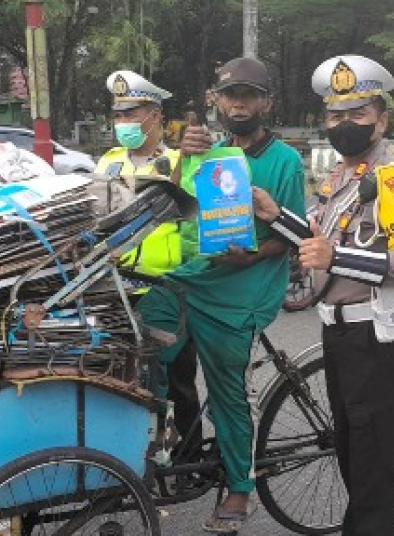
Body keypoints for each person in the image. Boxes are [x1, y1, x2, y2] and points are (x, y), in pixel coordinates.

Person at [251, 55, 394, 535]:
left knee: (373, 465)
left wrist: (337, 259)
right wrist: (274, 215)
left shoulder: (392, 179)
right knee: (353, 455)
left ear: (382, 119)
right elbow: (319, 245)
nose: (345, 124)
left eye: (358, 113)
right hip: (341, 334)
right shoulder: (342, 177)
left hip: (375, 337)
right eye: (335, 115)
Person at [139, 57, 305, 533]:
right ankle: (164, 446)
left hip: (248, 283)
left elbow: (294, 236)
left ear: (266, 103)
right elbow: (174, 209)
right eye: (231, 95)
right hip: (199, 276)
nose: (239, 104)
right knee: (142, 343)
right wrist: (179, 158)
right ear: (216, 100)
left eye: (250, 95)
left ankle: (239, 487)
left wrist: (253, 255)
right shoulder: (208, 152)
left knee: (228, 389)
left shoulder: (285, 161)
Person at [95, 70, 203, 458]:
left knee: (178, 380)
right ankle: (138, 454)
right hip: (114, 287)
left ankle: (189, 459)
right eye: (118, 115)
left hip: (164, 286)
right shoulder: (106, 163)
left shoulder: (178, 161)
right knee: (125, 378)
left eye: (131, 114)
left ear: (155, 115)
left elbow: (191, 215)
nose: (122, 123)